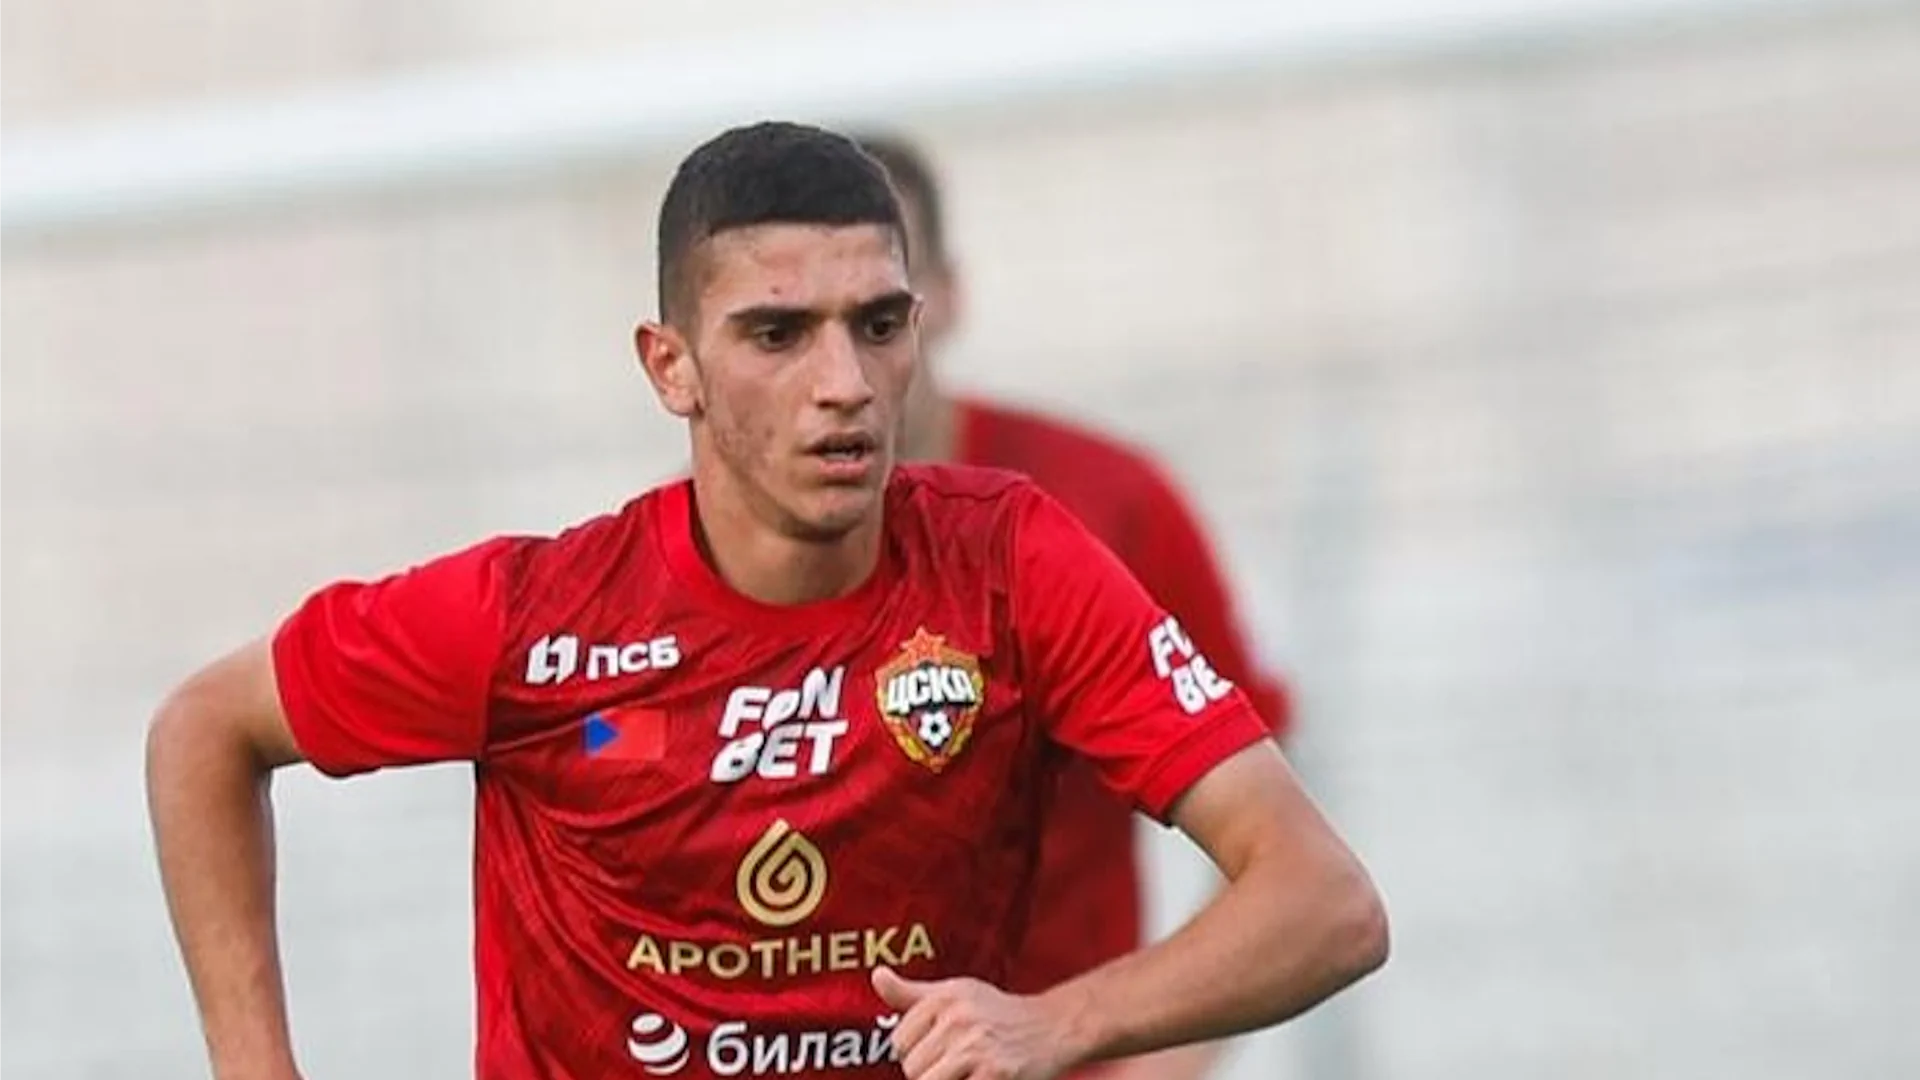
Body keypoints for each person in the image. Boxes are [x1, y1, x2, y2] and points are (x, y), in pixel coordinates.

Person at [145, 121, 1386, 1080]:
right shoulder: (536, 620)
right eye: (778, 334)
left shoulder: (1016, 560)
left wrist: (1058, 1023)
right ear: (670, 367)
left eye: (878, 324)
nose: (845, 381)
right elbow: (206, 727)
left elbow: (1325, 901)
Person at [854, 135, 1291, 1078]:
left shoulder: (1108, 504)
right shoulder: (695, 551)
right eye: (789, 323)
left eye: (881, 306)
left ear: (946, 296)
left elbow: (1279, 831)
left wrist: (1168, 1058)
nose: (843, 356)